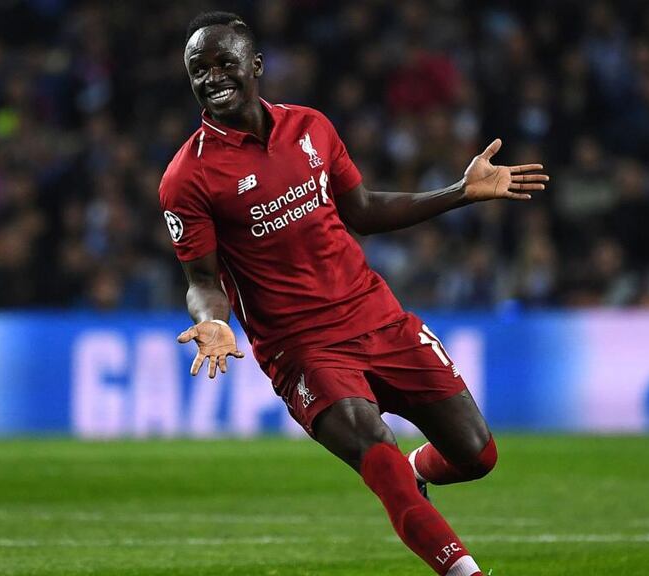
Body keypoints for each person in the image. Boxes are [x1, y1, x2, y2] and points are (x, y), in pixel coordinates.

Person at [159, 12, 548, 575]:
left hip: (378, 316)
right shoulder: (187, 177)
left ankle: (418, 472)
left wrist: (460, 192)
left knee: (477, 454)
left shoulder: (311, 127)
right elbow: (202, 281)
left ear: (256, 66)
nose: (213, 76)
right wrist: (213, 321)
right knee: (375, 447)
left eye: (225, 62)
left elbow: (363, 210)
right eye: (199, 69)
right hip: (303, 347)